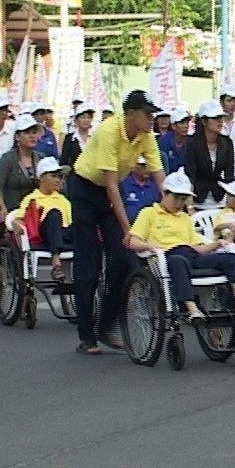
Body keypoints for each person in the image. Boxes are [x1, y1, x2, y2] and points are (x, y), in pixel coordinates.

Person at [69, 89, 165, 355]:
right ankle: (87, 335)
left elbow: (159, 174)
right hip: (86, 190)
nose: (151, 119)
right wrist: (128, 230)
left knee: (122, 261)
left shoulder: (146, 136)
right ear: (131, 114)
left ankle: (107, 323)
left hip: (110, 193)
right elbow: (111, 186)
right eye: (147, 114)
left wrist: (177, 203)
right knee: (88, 261)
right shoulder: (109, 131)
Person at [128, 169, 235, 320]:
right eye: (176, 198)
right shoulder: (149, 213)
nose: (180, 203)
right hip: (166, 257)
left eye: (183, 199)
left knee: (229, 257)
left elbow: (197, 247)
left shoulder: (185, 218)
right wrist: (149, 246)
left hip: (191, 255)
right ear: (164, 193)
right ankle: (193, 310)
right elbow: (132, 241)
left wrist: (216, 244)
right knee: (177, 261)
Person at [14, 157, 73, 282]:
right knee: (54, 214)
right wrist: (16, 224)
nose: (59, 180)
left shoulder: (64, 200)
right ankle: (56, 263)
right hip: (44, 234)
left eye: (60, 177)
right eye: (54, 176)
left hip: (65, 234)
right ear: (41, 178)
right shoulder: (32, 198)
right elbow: (19, 218)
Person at [0, 114, 44, 225]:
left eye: (34, 132)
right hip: (13, 211)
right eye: (27, 132)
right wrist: (2, 208)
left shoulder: (41, 158)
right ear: (17, 137)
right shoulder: (7, 159)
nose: (32, 136)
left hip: (38, 210)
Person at [184, 100, 235, 209]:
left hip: (220, 199)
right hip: (197, 201)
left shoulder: (227, 143)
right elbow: (190, 176)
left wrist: (231, 206)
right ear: (204, 121)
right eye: (215, 118)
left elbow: (229, 176)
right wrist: (190, 207)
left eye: (221, 117)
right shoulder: (192, 142)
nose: (220, 121)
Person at [121, 156, 162, 223]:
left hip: (150, 225)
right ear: (134, 167)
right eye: (143, 166)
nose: (147, 169)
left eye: (149, 165)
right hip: (129, 225)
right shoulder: (124, 184)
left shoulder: (155, 186)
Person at [59, 103, 94, 171]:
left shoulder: (95, 138)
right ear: (76, 120)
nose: (86, 120)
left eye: (88, 117)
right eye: (83, 117)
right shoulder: (69, 138)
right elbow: (64, 161)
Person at [159, 107, 191, 174]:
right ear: (173, 126)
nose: (186, 126)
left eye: (187, 122)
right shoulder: (163, 141)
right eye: (182, 123)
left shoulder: (191, 141)